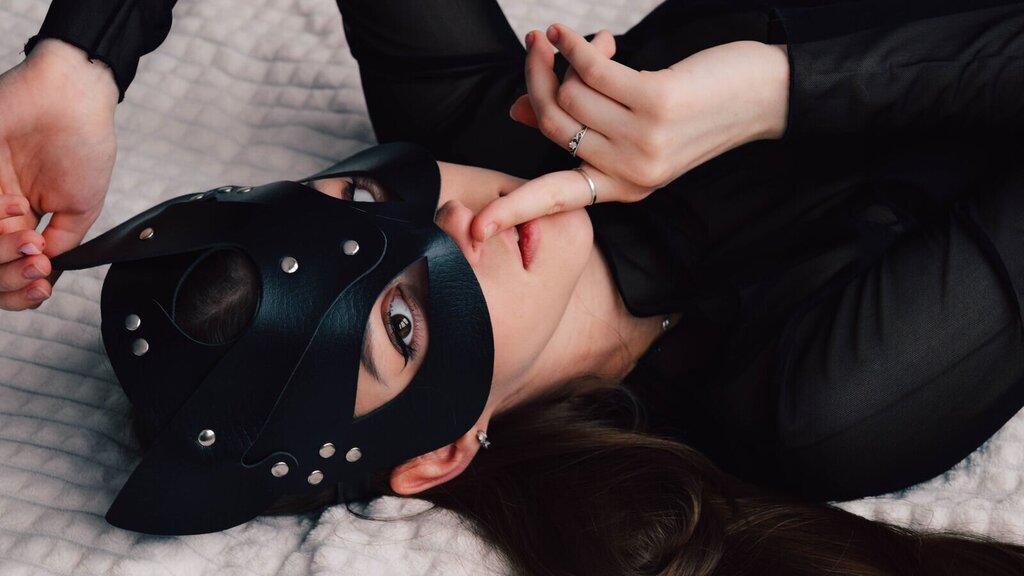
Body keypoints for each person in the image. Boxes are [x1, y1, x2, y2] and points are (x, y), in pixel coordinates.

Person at [2, 0, 1024, 573]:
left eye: (364, 197)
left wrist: (80, 59)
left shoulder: (484, 128)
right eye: (402, 322)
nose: (455, 221)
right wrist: (774, 93)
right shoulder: (829, 399)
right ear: (441, 451)